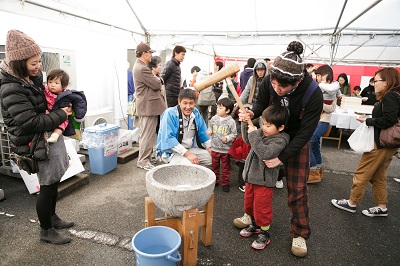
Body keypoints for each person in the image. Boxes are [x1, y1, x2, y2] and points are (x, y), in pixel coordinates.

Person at [235, 41, 323, 257]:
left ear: (297, 81)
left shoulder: (313, 93)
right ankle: (252, 217)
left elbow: (305, 134)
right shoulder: (269, 80)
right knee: (254, 178)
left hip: (295, 139)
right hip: (269, 133)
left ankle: (300, 233)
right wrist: (250, 114)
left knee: (297, 189)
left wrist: (281, 157)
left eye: (282, 87)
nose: (276, 88)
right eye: (273, 83)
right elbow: (259, 106)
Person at [0, 30, 73, 244]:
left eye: (39, 61)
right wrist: (62, 114)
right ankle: (46, 231)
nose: (39, 66)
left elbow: (43, 104)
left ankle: (52, 217)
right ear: (19, 63)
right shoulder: (10, 87)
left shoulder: (30, 78)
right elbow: (29, 122)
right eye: (33, 63)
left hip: (46, 136)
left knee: (55, 180)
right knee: (47, 185)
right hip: (33, 141)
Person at [331, 67, 400, 217]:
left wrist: (368, 120)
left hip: (381, 143)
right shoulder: (395, 95)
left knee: (362, 172)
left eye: (376, 80)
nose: (374, 83)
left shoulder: (390, 96)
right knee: (378, 175)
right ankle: (382, 207)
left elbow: (389, 119)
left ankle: (351, 202)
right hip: (389, 144)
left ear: (387, 81)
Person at [239, 105, 290, 250]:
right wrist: (245, 123)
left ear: (280, 127)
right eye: (263, 123)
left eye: (268, 125)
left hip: (264, 181)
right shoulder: (262, 132)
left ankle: (264, 233)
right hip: (251, 178)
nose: (264, 127)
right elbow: (248, 140)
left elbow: (265, 153)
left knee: (262, 208)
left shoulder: (280, 140)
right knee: (249, 205)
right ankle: (254, 225)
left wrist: (254, 135)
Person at [156, 88, 212, 167]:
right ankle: (177, 172)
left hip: (189, 149)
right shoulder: (170, 113)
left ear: (195, 103)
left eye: (191, 103)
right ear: (179, 102)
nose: (188, 107)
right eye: (185, 103)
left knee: (212, 158)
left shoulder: (195, 112)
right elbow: (168, 138)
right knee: (190, 165)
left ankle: (195, 174)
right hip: (172, 152)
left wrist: (209, 148)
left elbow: (203, 132)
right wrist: (188, 154)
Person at [133, 43, 165, 170]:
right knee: (147, 134)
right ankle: (143, 161)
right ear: (144, 53)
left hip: (147, 105)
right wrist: (158, 80)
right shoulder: (143, 68)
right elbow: (157, 84)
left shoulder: (140, 66)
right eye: (150, 52)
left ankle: (146, 157)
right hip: (148, 106)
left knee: (147, 134)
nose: (151, 55)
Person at [308, 65, 339, 183]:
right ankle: (318, 171)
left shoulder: (332, 90)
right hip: (316, 120)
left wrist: (318, 103)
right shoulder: (317, 88)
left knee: (310, 142)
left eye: (320, 76)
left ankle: (313, 172)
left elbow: (331, 108)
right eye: (318, 76)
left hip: (324, 121)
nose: (318, 78)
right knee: (315, 145)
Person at [44, 69, 87, 143]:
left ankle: (55, 136)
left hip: (62, 115)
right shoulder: (44, 91)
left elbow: (80, 100)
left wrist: (79, 115)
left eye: (56, 83)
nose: (52, 85)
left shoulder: (67, 95)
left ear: (64, 86)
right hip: (48, 115)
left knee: (62, 123)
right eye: (50, 82)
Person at [207, 97, 237, 192]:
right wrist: (209, 131)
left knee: (225, 168)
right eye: (218, 107)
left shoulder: (231, 122)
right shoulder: (214, 118)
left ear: (227, 110)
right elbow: (209, 127)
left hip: (225, 149)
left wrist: (227, 138)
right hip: (215, 148)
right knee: (214, 166)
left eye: (220, 108)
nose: (218, 109)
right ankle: (215, 181)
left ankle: (225, 183)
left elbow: (234, 134)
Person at [127, 61, 135, 130]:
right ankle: (129, 128)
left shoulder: (130, 74)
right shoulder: (129, 74)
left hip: (129, 95)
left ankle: (130, 128)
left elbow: (133, 85)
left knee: (130, 113)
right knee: (129, 113)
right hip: (127, 95)